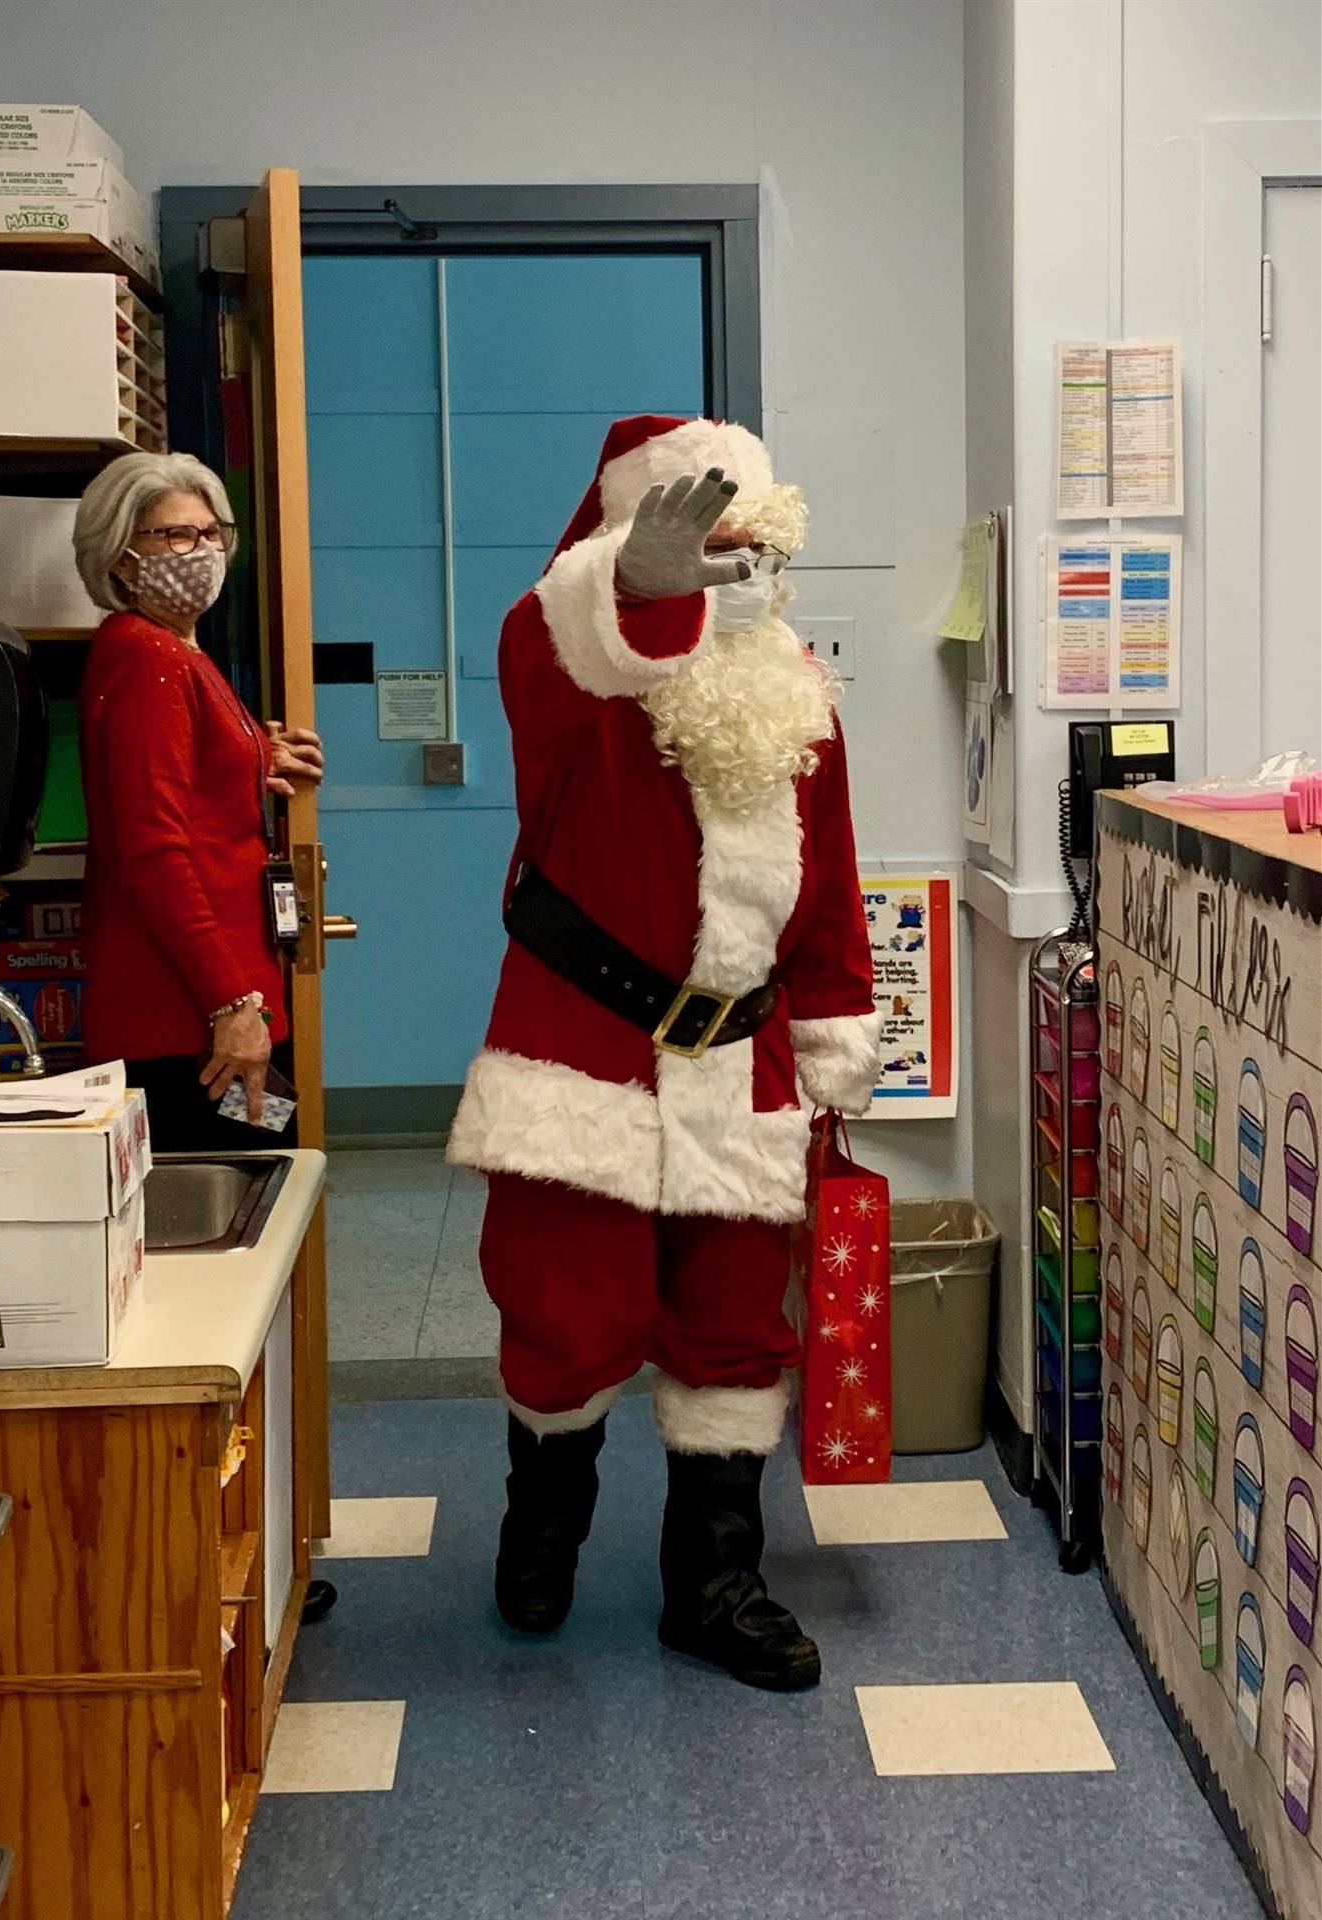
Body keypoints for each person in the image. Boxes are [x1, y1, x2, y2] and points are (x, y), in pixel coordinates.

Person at [448, 414, 881, 1691]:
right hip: (579, 1050)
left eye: (751, 546)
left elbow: (834, 879)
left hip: (740, 1063)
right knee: (565, 1317)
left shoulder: (797, 688)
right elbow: (552, 644)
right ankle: (544, 1530)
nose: (728, 569)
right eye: (704, 545)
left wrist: (834, 1020)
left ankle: (715, 1582)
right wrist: (631, 586)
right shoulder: (579, 674)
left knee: (735, 1330)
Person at [72, 452, 324, 1148]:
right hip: (192, 1023)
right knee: (232, 1218)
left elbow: (179, 784)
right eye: (175, 536)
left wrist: (248, 757)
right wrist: (232, 1001)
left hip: (214, 1011)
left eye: (212, 533)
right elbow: (151, 848)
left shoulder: (175, 651)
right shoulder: (149, 658)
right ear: (121, 558)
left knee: (262, 1190)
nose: (202, 552)